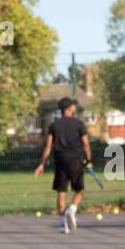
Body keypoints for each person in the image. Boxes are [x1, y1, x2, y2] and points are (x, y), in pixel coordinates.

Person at [35, 98, 91, 233]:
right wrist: (89, 161)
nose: (75, 108)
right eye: (73, 106)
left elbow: (48, 146)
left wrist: (41, 164)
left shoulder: (54, 125)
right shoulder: (79, 124)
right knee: (80, 190)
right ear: (68, 108)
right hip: (75, 160)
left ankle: (62, 224)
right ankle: (72, 209)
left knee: (61, 192)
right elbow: (86, 144)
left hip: (60, 160)